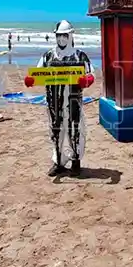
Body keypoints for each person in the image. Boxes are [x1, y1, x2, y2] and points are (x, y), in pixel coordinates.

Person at [25, 20, 94, 176]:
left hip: (73, 101)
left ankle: (76, 161)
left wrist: (87, 80)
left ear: (70, 36)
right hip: (53, 102)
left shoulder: (80, 56)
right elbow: (37, 72)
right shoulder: (48, 56)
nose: (61, 39)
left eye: (64, 35)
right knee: (55, 131)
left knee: (75, 130)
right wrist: (31, 79)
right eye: (59, 36)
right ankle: (58, 162)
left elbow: (91, 73)